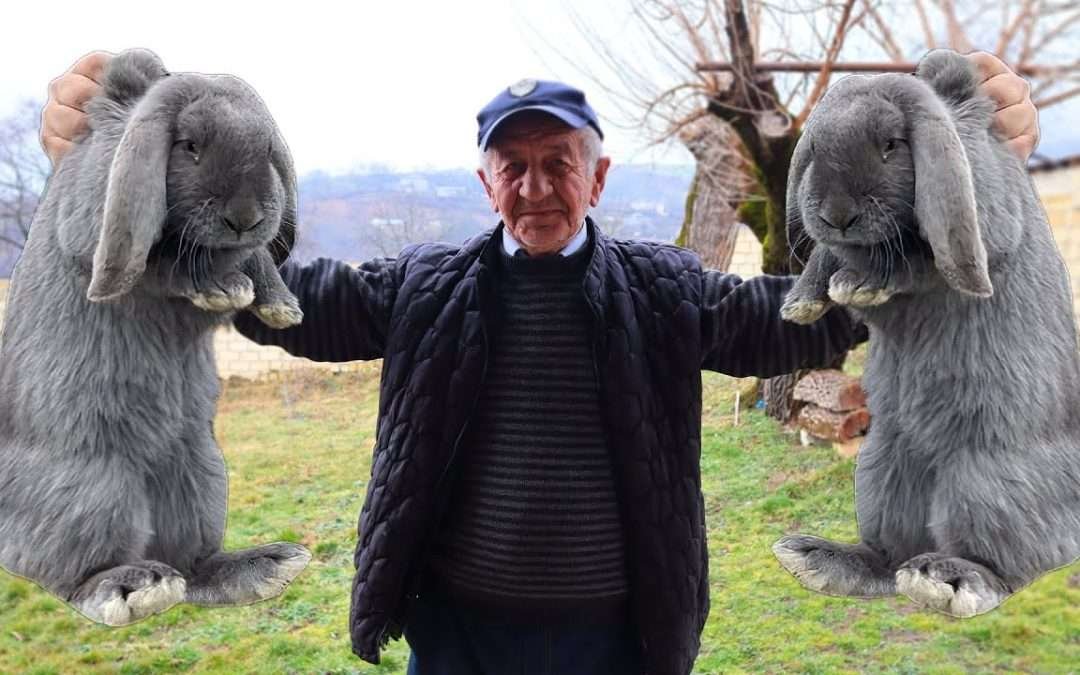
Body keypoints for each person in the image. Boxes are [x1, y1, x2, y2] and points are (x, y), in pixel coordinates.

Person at [41, 52, 1038, 675]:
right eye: (511, 164)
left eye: (558, 159)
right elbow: (295, 307)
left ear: (597, 173)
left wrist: (929, 204)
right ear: (485, 181)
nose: (536, 184)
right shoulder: (425, 282)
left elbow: (786, 326)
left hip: (619, 634)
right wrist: (126, 173)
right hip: (459, 634)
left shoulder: (661, 285)